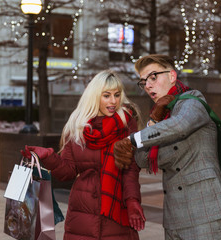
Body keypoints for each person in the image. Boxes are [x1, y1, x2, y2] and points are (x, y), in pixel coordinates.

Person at [114, 54, 221, 240]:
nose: (147, 85)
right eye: (143, 82)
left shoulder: (193, 101)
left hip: (205, 213)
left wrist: (132, 139)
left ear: (172, 76)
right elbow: (142, 159)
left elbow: (180, 125)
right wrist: (153, 120)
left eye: (153, 77)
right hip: (173, 219)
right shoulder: (162, 118)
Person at [21, 69, 145, 240]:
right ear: (95, 96)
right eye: (106, 95)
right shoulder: (77, 126)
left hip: (116, 212)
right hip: (83, 215)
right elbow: (68, 171)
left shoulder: (126, 123)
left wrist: (132, 200)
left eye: (117, 95)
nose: (113, 101)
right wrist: (49, 157)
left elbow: (131, 170)